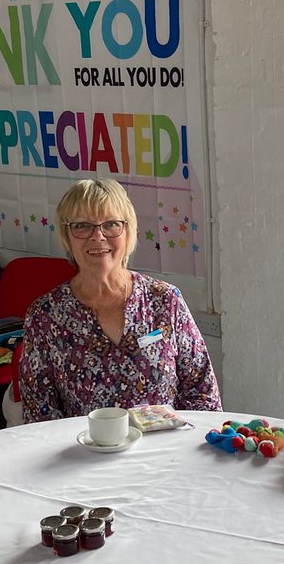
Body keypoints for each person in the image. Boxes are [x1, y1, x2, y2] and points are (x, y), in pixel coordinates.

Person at [18, 178, 221, 421]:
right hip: (85, 455)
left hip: (165, 451)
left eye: (111, 224)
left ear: (128, 233)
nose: (98, 236)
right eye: (82, 225)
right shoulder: (45, 316)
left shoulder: (165, 301)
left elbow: (203, 395)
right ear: (67, 236)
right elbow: (39, 415)